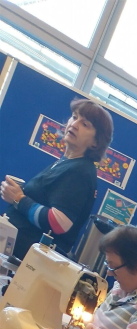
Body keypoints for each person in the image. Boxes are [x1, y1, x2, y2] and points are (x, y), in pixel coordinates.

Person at [0, 99, 113, 259]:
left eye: (85, 124)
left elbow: (58, 223)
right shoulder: (68, 162)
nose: (74, 124)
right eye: (74, 117)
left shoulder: (80, 171)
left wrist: (18, 199)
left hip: (26, 261)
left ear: (96, 143)